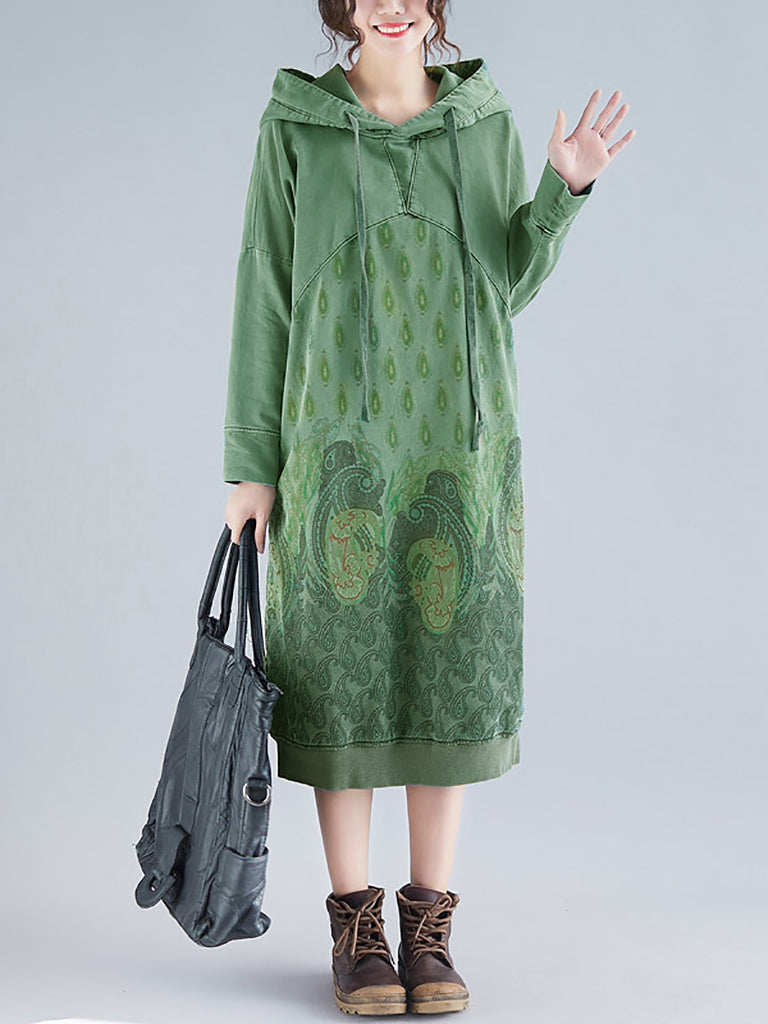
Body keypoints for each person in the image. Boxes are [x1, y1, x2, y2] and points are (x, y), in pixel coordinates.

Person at [223, 0, 634, 1015]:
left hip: (461, 441)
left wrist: (565, 188)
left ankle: (430, 926)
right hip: (334, 448)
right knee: (339, 681)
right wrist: (251, 464)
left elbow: (505, 283)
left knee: (444, 676)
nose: (393, 5)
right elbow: (264, 287)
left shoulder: (483, 125)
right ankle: (355, 927)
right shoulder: (295, 127)